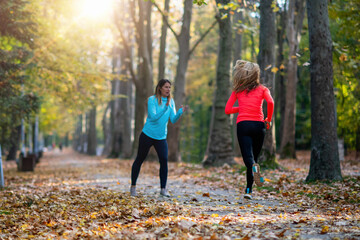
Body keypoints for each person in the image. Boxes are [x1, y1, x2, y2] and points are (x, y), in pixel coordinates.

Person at [225, 60, 274, 200]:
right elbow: (270, 102)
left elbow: (227, 110)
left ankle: (249, 186)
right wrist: (268, 119)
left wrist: (241, 108)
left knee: (249, 158)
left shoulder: (238, 90)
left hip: (244, 125)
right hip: (259, 125)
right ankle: (248, 190)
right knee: (254, 159)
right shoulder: (264, 89)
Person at [130, 79, 187, 197]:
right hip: (147, 134)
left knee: (164, 161)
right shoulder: (152, 100)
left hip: (161, 137)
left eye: (170, 87)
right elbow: (153, 116)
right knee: (140, 159)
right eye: (166, 87)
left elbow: (173, 119)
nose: (168, 89)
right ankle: (133, 187)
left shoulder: (171, 101)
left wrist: (180, 112)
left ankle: (163, 189)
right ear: (160, 88)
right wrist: (165, 108)